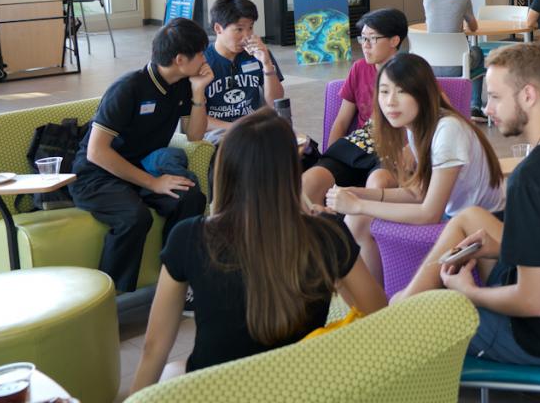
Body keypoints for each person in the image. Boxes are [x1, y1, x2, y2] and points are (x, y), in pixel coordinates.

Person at [392, 44, 540, 367]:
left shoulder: (531, 179)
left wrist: (467, 292)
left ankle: (393, 325)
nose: (486, 108)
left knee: (414, 316)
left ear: (528, 95)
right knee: (472, 223)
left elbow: (533, 301)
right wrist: (500, 248)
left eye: (495, 97)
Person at [129, 109, 386, 392]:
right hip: (299, 389)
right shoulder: (327, 233)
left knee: (171, 372)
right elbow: (377, 316)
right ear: (291, 174)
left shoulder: (189, 236)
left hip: (219, 391)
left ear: (224, 169)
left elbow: (154, 348)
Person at [326, 53, 505, 287]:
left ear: (422, 93)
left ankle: (378, 303)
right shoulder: (419, 127)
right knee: (356, 218)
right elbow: (419, 192)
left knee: (357, 215)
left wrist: (358, 204)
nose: (390, 101)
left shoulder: (447, 130)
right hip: (453, 215)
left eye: (401, 91)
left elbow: (429, 212)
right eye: (384, 91)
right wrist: (358, 193)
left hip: (481, 227)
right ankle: (377, 300)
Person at [69, 17, 212, 293]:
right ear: (180, 59)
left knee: (191, 197)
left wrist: (198, 92)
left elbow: (195, 135)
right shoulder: (128, 89)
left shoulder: (183, 83)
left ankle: (175, 282)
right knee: (134, 218)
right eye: (201, 53)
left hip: (140, 168)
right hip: (96, 175)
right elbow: (97, 152)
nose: (205, 58)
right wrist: (153, 183)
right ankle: (108, 297)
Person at [302, 7, 408, 205]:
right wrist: (330, 156)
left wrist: (411, 153)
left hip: (391, 152)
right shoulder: (359, 68)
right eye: (362, 38)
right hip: (358, 147)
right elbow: (342, 121)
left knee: (377, 183)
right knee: (310, 181)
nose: (365, 46)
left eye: (372, 39)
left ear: (394, 40)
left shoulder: (412, 71)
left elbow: (438, 114)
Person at [201, 0, 284, 143]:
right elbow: (195, 118)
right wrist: (236, 127)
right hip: (218, 132)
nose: (246, 36)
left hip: (254, 128)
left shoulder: (259, 54)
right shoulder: (201, 60)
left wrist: (266, 64)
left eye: (250, 27)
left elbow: (275, 102)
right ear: (218, 28)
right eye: (239, 29)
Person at [423, 0, 486, 121]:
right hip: (456, 66)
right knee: (478, 52)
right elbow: (473, 27)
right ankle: (474, 106)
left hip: (431, 65)